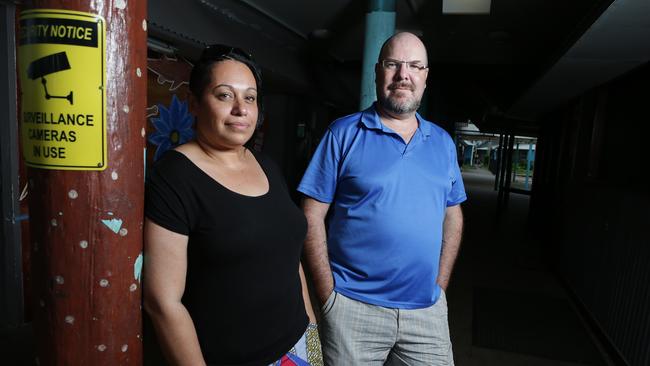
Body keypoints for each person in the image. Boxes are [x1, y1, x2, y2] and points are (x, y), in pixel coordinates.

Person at [144, 44, 322, 366]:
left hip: (297, 346)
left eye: (250, 98)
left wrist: (310, 331)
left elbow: (289, 256)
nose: (241, 108)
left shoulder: (266, 164)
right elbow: (162, 302)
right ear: (195, 104)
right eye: (225, 95)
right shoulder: (174, 176)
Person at [298, 32, 466, 365]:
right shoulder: (343, 134)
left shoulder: (443, 143)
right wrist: (328, 295)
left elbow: (453, 215)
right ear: (378, 72)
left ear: (425, 77)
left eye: (415, 66)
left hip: (426, 314)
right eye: (394, 64)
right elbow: (311, 213)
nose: (404, 74)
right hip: (353, 310)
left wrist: (440, 287)